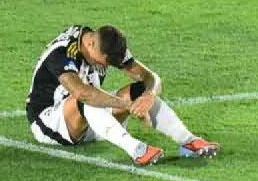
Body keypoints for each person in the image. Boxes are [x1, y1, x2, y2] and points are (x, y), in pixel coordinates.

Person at [25, 25, 220, 165]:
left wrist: (148, 96)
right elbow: (81, 92)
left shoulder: (107, 46)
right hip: (50, 123)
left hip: (93, 121)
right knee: (87, 98)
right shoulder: (62, 52)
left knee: (138, 91)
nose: (105, 66)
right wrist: (127, 107)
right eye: (104, 62)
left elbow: (151, 78)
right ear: (90, 43)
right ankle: (137, 150)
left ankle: (189, 141)